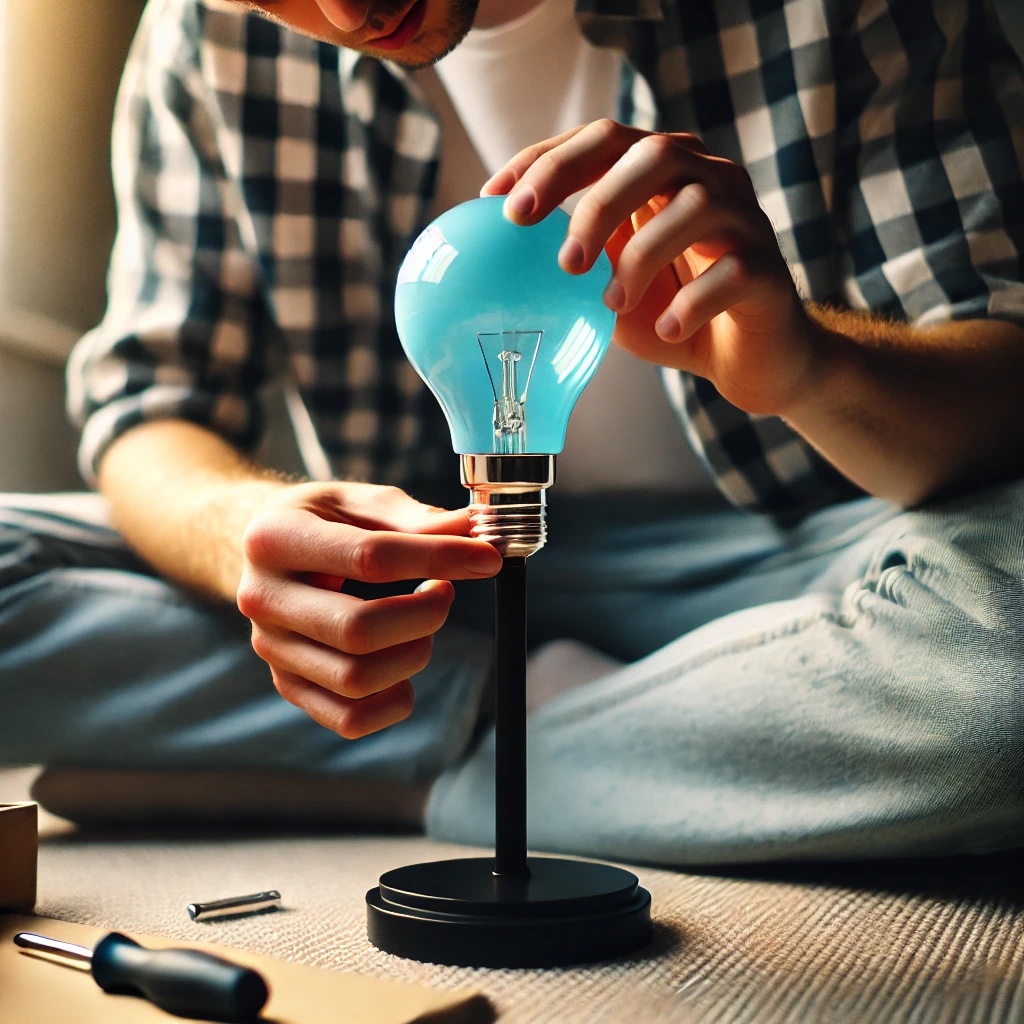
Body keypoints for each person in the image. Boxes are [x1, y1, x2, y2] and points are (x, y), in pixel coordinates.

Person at [1, 0, 1022, 864]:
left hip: (790, 579)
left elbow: (1003, 384)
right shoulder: (207, 32)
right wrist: (252, 542)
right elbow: (151, 410)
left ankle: (429, 783)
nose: (349, 9)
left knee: (1003, 659)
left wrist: (808, 364)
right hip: (427, 597)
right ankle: (635, 747)